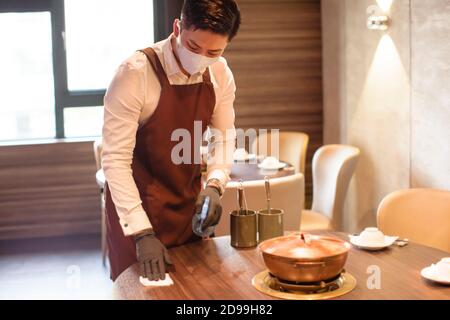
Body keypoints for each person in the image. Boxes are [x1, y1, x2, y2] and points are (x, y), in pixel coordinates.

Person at [102, 0, 241, 281]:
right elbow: (114, 160)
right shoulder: (135, 73)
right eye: (193, 47)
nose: (202, 58)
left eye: (214, 51)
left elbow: (224, 137)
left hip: (188, 208)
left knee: (197, 290)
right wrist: (141, 233)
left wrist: (215, 184)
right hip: (138, 208)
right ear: (177, 28)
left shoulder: (220, 73)